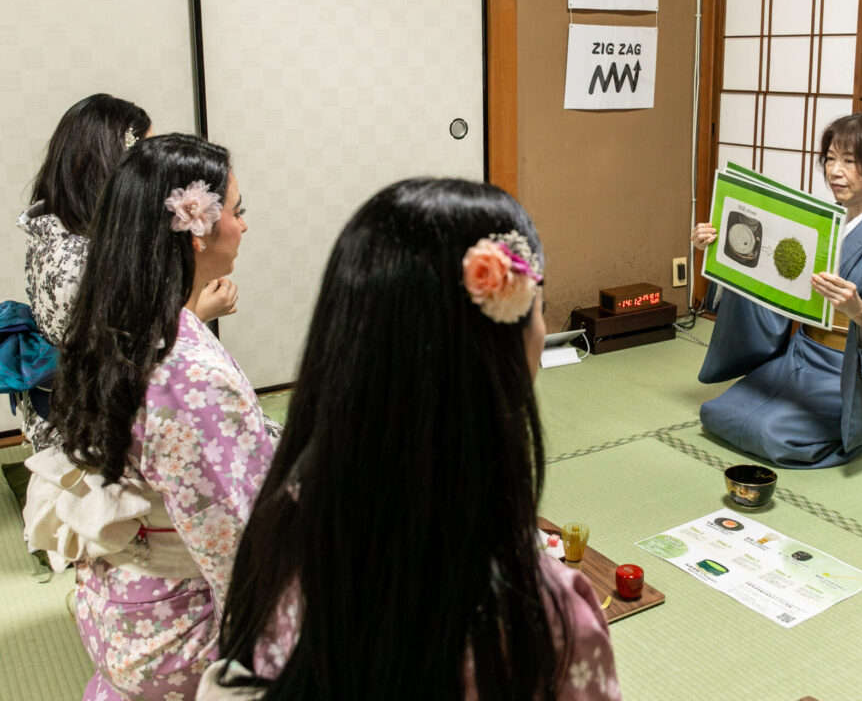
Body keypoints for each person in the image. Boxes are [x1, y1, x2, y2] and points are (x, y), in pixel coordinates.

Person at [198, 179, 621, 700]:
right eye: (538, 303)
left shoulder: (279, 531)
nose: (544, 322)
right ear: (497, 344)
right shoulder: (541, 616)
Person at [22, 133, 280, 700]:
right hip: (180, 629)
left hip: (120, 603)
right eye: (237, 213)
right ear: (196, 232)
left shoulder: (120, 323)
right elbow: (240, 555)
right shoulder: (190, 382)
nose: (243, 226)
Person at [693, 112, 862, 468]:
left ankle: (854, 432)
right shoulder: (819, 223)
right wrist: (715, 249)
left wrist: (859, 310)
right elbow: (765, 281)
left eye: (849, 162)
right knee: (718, 413)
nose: (834, 171)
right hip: (801, 352)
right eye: (830, 159)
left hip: (847, 373)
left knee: (771, 434)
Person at [16, 94, 237, 453]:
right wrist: (198, 314)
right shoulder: (88, 257)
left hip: (60, 409)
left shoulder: (49, 225)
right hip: (92, 427)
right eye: (145, 156)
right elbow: (123, 364)